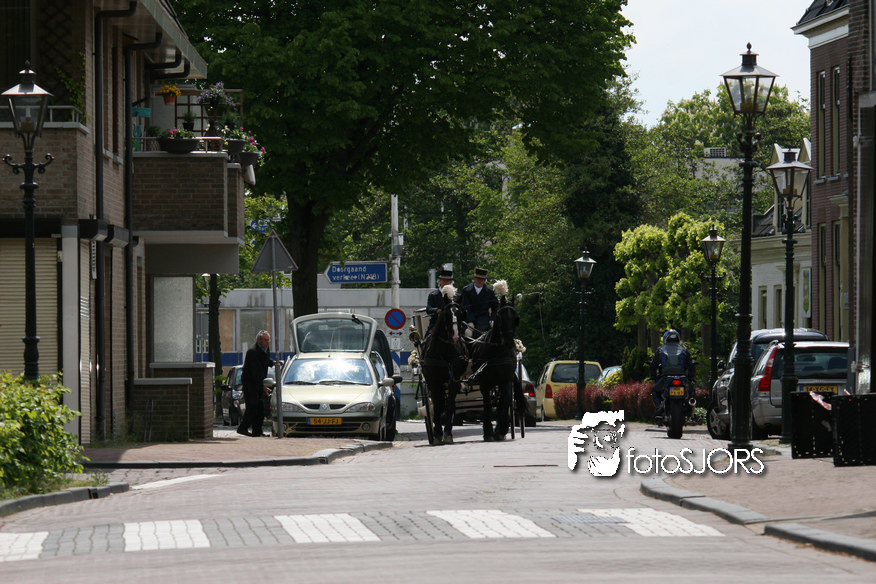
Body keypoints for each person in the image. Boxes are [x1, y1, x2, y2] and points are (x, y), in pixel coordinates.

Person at [238, 330, 276, 437]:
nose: (267, 342)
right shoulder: (252, 352)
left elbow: (264, 360)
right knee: (252, 406)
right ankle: (243, 428)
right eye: (265, 340)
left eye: (268, 340)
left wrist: (272, 362)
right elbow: (256, 372)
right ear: (259, 341)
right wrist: (263, 386)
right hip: (250, 383)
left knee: (260, 408)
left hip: (258, 382)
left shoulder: (265, 349)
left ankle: (257, 431)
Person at [649, 329, 695, 416]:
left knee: (654, 390)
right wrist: (691, 377)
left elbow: (653, 365)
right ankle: (690, 406)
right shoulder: (684, 349)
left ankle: (659, 408)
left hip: (665, 377)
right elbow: (691, 365)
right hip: (682, 377)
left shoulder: (660, 349)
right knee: (692, 390)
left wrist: (653, 376)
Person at [460, 267, 498, 338]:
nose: (480, 281)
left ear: (485, 280)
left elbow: (495, 306)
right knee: (467, 334)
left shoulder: (490, 291)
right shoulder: (466, 290)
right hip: (469, 319)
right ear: (474, 279)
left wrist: (492, 319)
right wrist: (470, 320)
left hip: (484, 320)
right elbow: (464, 306)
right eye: (478, 279)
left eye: (482, 279)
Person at [426, 269, 455, 334]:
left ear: (451, 282)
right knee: (428, 336)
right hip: (436, 322)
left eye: (447, 281)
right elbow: (428, 309)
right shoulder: (433, 295)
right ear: (440, 281)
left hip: (453, 323)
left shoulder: (456, 296)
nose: (445, 283)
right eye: (443, 280)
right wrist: (437, 310)